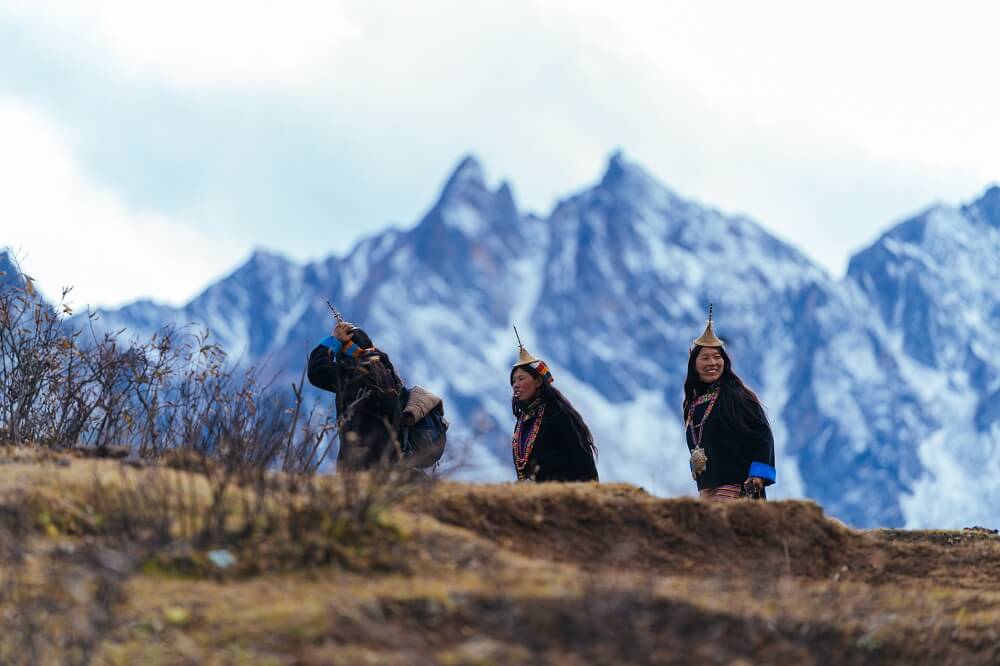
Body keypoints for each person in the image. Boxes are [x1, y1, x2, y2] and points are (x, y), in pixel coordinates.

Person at [683, 306, 775, 501]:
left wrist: (758, 474)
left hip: (737, 487)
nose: (712, 363)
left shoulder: (737, 396)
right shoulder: (693, 404)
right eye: (705, 357)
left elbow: (763, 434)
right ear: (694, 363)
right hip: (707, 490)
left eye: (717, 357)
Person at [307, 320, 405, 470]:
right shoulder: (387, 372)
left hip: (360, 463)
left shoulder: (354, 377)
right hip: (392, 462)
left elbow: (317, 371)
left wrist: (334, 341)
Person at [509, 343, 598, 482]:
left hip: (564, 494)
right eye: (513, 381)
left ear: (538, 381)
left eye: (521, 379)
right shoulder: (522, 421)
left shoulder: (557, 414)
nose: (516, 385)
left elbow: (582, 460)